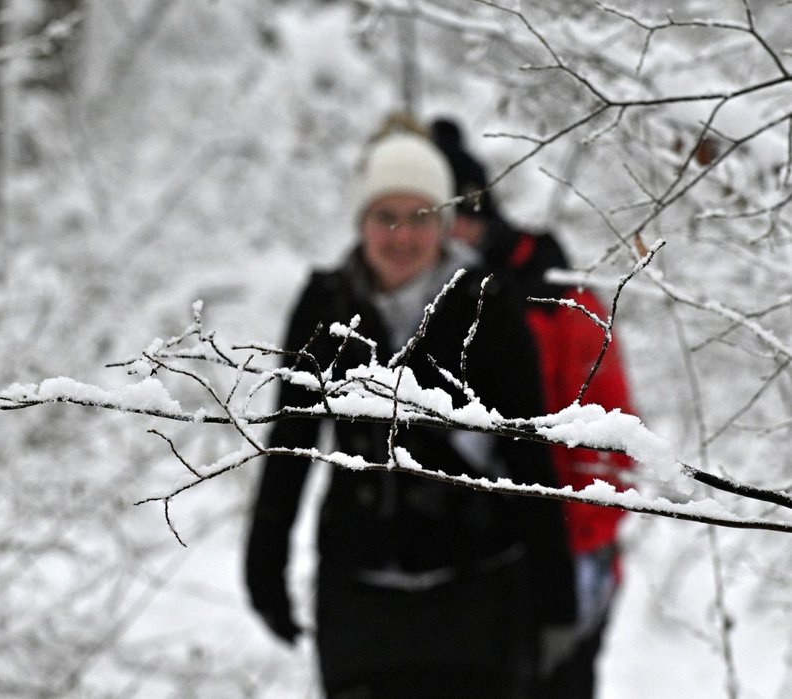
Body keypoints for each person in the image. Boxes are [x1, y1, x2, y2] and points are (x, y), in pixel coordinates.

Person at [244, 119, 577, 698]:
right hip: (359, 597)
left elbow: (529, 458)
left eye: (419, 217)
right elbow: (290, 447)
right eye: (384, 217)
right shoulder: (327, 304)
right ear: (360, 222)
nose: (401, 236)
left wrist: (556, 596)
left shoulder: (486, 304)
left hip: (476, 591)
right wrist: (264, 569)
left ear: (445, 224)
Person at [431, 117, 636, 698]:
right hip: (481, 570)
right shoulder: (430, 304)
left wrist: (561, 554)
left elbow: (607, 444)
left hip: (569, 551)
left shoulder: (556, 298)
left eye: (455, 220)